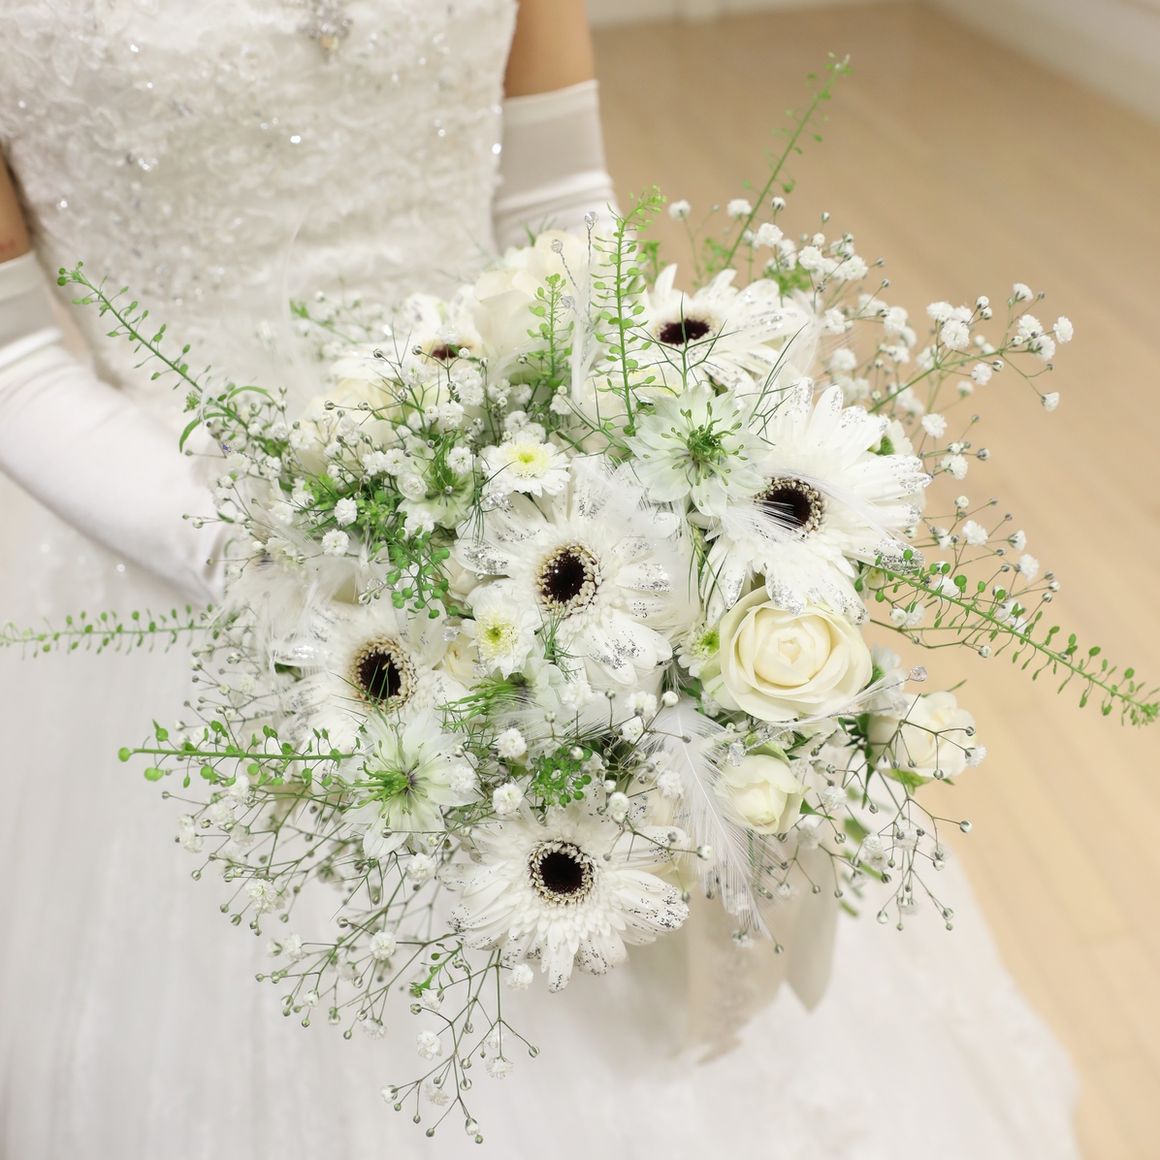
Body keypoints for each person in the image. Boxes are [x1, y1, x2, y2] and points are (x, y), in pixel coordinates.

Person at [0, 3, 1082, 1156]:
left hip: (530, 513)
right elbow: (14, 356)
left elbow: (555, 200)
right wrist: (269, 556)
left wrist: (631, 456)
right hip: (191, 545)